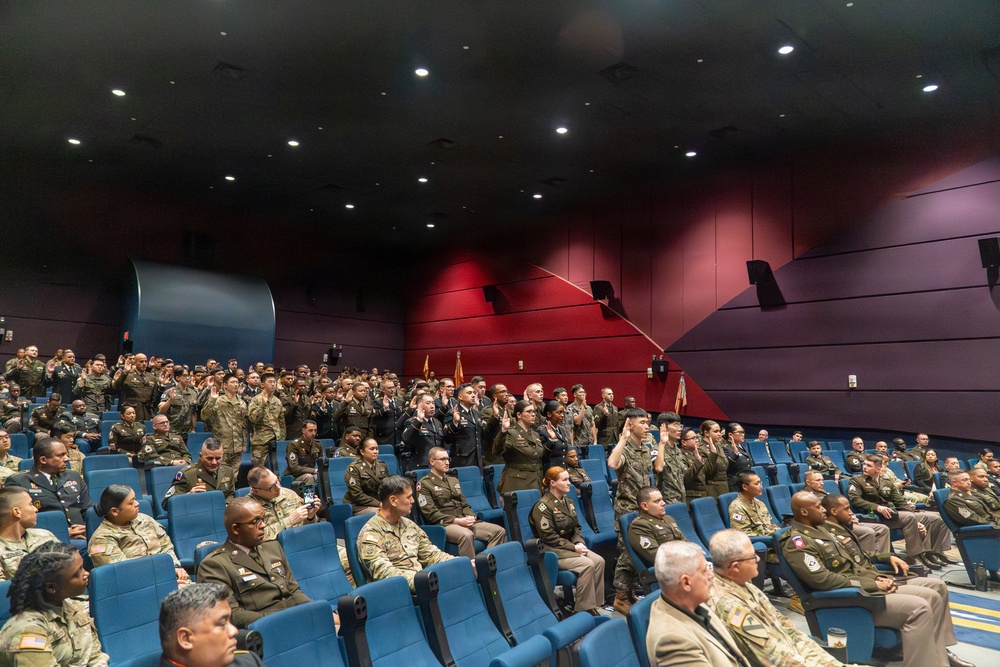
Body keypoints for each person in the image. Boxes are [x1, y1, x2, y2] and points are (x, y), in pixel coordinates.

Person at [782, 491, 973, 667]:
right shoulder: (797, 542)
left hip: (863, 587)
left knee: (933, 594)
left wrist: (885, 561)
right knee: (920, 607)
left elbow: (856, 558)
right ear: (804, 512)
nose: (823, 509)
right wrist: (872, 584)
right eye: (818, 506)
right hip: (850, 599)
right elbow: (822, 580)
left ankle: (939, 655)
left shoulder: (822, 530)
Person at [709, 529, 845, 667]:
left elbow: (790, 631)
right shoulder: (731, 607)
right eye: (752, 557)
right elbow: (775, 658)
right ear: (735, 567)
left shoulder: (747, 586)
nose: (758, 559)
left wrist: (832, 664)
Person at [196, 497, 311, 628]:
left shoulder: (273, 547)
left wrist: (313, 610)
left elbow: (294, 590)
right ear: (236, 529)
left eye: (263, 519)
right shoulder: (214, 565)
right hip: (264, 629)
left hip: (297, 620)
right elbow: (230, 614)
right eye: (256, 521)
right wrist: (281, 622)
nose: (263, 525)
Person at [0, 542, 109, 667]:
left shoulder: (74, 607)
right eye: (77, 573)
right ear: (51, 587)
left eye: (83, 567)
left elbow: (95, 657)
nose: (86, 574)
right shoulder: (27, 631)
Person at [646, 540, 749, 667]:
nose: (711, 575)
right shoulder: (673, 641)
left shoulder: (695, 603)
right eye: (705, 571)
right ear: (686, 583)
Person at [847, 454, 953, 569]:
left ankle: (929, 552)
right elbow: (855, 500)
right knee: (909, 517)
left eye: (868, 465)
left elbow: (900, 502)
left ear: (878, 469)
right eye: (864, 464)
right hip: (873, 515)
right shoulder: (857, 480)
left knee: (934, 518)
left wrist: (915, 518)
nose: (864, 467)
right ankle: (914, 555)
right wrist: (877, 507)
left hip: (891, 514)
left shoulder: (887, 482)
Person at [529, 467, 606, 615]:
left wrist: (579, 542)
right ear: (552, 483)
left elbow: (576, 528)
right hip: (552, 550)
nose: (569, 483)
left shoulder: (568, 502)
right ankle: (584, 609)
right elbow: (549, 537)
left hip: (569, 547)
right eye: (564, 480)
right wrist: (574, 547)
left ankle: (595, 604)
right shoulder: (542, 506)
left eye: (568, 479)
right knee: (587, 564)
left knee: (599, 561)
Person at [357, 475, 453, 591]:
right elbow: (384, 573)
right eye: (408, 497)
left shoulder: (409, 524)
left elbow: (431, 555)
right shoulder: (371, 532)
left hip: (424, 583)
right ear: (393, 501)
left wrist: (457, 564)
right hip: (399, 592)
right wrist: (420, 581)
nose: (413, 501)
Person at [88, 484, 189, 584]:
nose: (137, 503)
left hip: (169, 577)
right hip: (142, 587)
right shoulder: (101, 539)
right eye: (131, 503)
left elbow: (166, 546)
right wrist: (165, 579)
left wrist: (174, 567)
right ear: (115, 511)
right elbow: (124, 574)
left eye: (135, 499)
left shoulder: (145, 519)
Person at [416, 446, 506, 558]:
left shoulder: (453, 480)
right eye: (443, 459)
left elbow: (464, 504)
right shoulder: (424, 484)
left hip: (463, 520)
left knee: (499, 531)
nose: (447, 463)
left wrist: (471, 517)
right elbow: (430, 512)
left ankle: (484, 563)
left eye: (448, 459)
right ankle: (469, 567)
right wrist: (456, 521)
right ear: (432, 462)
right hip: (445, 524)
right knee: (466, 535)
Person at [607, 407, 654, 613]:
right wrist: (623, 438)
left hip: (643, 509)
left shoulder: (645, 449)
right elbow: (612, 463)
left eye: (647, 422)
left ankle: (631, 590)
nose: (646, 426)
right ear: (630, 424)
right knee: (627, 554)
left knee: (639, 551)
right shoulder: (624, 448)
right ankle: (620, 597)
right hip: (627, 509)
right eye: (641, 423)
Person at [158, 583, 266, 667]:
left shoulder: (248, 662)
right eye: (222, 624)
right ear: (185, 639)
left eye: (230, 622)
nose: (234, 631)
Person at [6, 437, 92, 540]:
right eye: (60, 455)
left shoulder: (73, 475)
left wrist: (87, 528)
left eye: (66, 454)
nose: (67, 459)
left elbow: (87, 509)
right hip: (44, 538)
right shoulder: (19, 482)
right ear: (43, 460)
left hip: (82, 535)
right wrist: (62, 532)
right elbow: (17, 520)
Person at [802, 470, 890, 553]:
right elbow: (824, 516)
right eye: (818, 480)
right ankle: (869, 560)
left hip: (846, 521)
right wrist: (848, 519)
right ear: (808, 482)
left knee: (883, 529)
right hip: (836, 525)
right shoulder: (807, 498)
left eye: (822, 480)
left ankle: (883, 558)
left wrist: (851, 516)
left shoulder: (822, 492)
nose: (822, 483)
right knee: (868, 532)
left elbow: (842, 506)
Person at [0, 487, 59, 580]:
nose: (36, 509)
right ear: (17, 512)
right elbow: (3, 588)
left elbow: (72, 566)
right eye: (31, 504)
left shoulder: (45, 535)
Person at [162, 438, 237, 510]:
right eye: (209, 458)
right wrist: (188, 496)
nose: (214, 462)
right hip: (196, 514)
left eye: (218, 458)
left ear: (222, 456)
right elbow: (166, 504)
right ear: (201, 456)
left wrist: (227, 504)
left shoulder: (228, 471)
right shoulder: (187, 474)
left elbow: (231, 494)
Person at [494, 399, 545, 494]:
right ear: (519, 415)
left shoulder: (535, 435)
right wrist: (503, 430)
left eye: (533, 412)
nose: (533, 414)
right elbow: (497, 451)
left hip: (536, 481)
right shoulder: (511, 433)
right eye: (529, 412)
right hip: (517, 484)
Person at [628, 486, 686, 567]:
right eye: (657, 501)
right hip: (668, 568)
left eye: (662, 499)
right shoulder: (639, 526)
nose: (663, 503)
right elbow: (657, 556)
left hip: (683, 562)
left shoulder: (669, 518)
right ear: (645, 506)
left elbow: (685, 543)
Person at [201, 374, 249, 470]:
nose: (235, 384)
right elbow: (204, 415)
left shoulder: (242, 403)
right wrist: (212, 399)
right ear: (225, 385)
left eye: (237, 382)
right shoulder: (218, 400)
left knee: (234, 475)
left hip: (237, 446)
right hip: (222, 445)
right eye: (232, 382)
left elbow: (244, 425)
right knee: (220, 473)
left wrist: (244, 443)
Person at [444, 382, 484, 470]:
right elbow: (447, 438)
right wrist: (455, 423)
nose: (473, 395)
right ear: (460, 397)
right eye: (469, 393)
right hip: (462, 459)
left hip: (477, 458)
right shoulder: (453, 413)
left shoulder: (476, 413)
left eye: (474, 393)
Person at [344, 438, 389, 514]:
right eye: (372, 449)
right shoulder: (354, 468)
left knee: (401, 508)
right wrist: (379, 504)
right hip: (359, 506)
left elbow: (388, 487)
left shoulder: (382, 465)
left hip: (379, 503)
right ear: (362, 452)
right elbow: (357, 495)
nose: (375, 451)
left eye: (376, 449)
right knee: (384, 513)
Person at [401, 393, 444, 469]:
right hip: (421, 464)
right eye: (428, 403)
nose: (432, 406)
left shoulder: (437, 423)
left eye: (433, 403)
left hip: (437, 464)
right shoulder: (412, 422)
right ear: (419, 405)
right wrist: (419, 420)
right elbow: (406, 438)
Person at [113, 352, 157, 420]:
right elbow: (116, 388)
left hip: (147, 410)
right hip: (132, 409)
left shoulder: (151, 377)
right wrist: (125, 373)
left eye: (145, 361)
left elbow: (154, 397)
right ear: (135, 362)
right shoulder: (128, 375)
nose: (144, 363)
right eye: (141, 361)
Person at [654, 412, 686, 505]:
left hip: (681, 498)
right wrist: (662, 443)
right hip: (666, 501)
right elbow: (658, 468)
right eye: (676, 425)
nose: (679, 429)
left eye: (680, 425)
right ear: (664, 427)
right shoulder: (657, 449)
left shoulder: (677, 450)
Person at [159, 366, 199, 438]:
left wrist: (193, 428)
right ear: (177, 378)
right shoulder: (169, 392)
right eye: (184, 376)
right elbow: (161, 410)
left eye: (188, 376)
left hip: (187, 432)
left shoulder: (193, 393)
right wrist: (170, 400)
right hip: (172, 431)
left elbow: (193, 412)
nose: (187, 378)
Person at [284, 420, 323, 487]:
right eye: (310, 430)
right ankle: (308, 494)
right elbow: (294, 468)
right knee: (309, 477)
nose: (313, 433)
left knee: (322, 476)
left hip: (310, 474)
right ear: (303, 431)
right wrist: (313, 470)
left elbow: (321, 462)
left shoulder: (317, 444)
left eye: (315, 430)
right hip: (295, 476)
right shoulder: (294, 445)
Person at [535, 400, 569, 470]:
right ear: (549, 414)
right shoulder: (542, 431)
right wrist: (552, 440)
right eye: (559, 412)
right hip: (550, 470)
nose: (562, 415)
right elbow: (541, 455)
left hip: (561, 469)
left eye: (563, 412)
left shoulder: (562, 429)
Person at [700, 420, 728, 498]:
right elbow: (706, 472)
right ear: (706, 433)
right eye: (716, 431)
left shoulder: (718, 446)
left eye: (719, 431)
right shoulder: (700, 448)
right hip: (711, 489)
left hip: (723, 487)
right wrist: (713, 453)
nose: (719, 434)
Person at [723, 423, 753, 492]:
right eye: (739, 432)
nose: (742, 434)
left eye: (743, 432)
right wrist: (735, 453)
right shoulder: (726, 448)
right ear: (730, 434)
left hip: (744, 482)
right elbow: (726, 466)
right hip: (735, 485)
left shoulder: (740, 446)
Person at [564, 384, 595, 448]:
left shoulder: (588, 408)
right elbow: (578, 422)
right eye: (581, 392)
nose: (583, 394)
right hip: (578, 443)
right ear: (575, 394)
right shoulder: (570, 408)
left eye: (584, 392)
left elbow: (592, 424)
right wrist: (583, 407)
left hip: (590, 442)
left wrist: (595, 441)